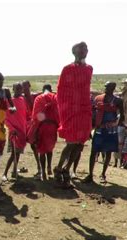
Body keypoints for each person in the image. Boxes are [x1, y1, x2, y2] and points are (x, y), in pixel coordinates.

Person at [54, 42, 93, 187]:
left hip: (84, 111)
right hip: (71, 111)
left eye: (86, 49)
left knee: (80, 144)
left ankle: (67, 169)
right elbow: (61, 91)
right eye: (81, 49)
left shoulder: (89, 69)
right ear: (74, 52)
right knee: (71, 143)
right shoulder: (67, 69)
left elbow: (86, 89)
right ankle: (59, 169)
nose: (85, 51)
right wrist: (65, 110)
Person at [84, 81, 125, 183]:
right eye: (105, 86)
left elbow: (122, 115)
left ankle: (103, 174)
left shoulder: (118, 101)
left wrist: (116, 124)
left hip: (111, 131)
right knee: (94, 151)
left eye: (108, 87)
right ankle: (90, 175)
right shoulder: (98, 99)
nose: (105, 88)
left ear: (113, 88)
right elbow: (92, 114)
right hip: (99, 129)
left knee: (108, 152)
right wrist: (90, 128)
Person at [28, 84, 59, 181]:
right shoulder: (55, 98)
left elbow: (36, 116)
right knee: (50, 149)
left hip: (42, 127)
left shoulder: (39, 98)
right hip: (52, 127)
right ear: (51, 89)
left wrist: (34, 129)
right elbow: (59, 113)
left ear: (42, 90)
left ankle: (43, 172)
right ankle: (49, 167)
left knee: (41, 151)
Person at [2, 82, 28, 181]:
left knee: (18, 153)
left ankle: (14, 171)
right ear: (13, 90)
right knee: (14, 153)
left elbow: (24, 115)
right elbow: (5, 118)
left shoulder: (22, 100)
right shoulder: (9, 102)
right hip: (14, 132)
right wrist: (12, 129)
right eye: (17, 89)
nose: (19, 91)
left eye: (20, 89)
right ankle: (5, 174)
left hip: (22, 131)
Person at [22, 80, 42, 177]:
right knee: (29, 146)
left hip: (36, 124)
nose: (24, 89)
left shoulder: (35, 96)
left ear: (29, 86)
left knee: (38, 146)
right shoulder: (21, 98)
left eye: (25, 86)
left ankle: (41, 167)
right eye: (23, 87)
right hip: (26, 125)